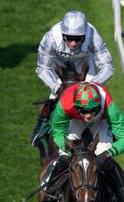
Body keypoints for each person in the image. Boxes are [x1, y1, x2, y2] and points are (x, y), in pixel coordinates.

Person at [30, 81, 124, 202]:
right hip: (74, 121)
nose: (88, 115)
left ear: (99, 104)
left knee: (105, 162)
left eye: (92, 110)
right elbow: (57, 131)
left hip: (101, 123)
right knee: (64, 159)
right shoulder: (65, 103)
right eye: (84, 110)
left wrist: (108, 154)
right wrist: (66, 148)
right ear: (76, 106)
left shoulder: (109, 106)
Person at [31, 10, 114, 147]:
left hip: (85, 63)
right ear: (62, 34)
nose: (74, 43)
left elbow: (108, 66)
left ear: (85, 35)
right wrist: (58, 89)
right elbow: (43, 68)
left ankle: (106, 131)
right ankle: (41, 127)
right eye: (69, 38)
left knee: (92, 97)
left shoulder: (93, 36)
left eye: (78, 38)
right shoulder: (51, 37)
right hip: (59, 64)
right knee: (54, 97)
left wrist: (92, 85)